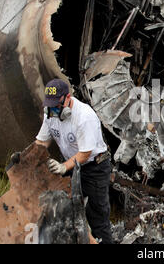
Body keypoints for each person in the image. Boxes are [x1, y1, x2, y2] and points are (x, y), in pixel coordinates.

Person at [35, 79, 113, 244]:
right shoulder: (50, 113)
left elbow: (85, 153)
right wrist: (31, 158)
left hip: (94, 168)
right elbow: (42, 142)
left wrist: (63, 167)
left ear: (67, 98)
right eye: (50, 104)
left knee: (97, 215)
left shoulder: (84, 116)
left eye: (57, 104)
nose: (54, 109)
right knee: (65, 210)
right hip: (71, 165)